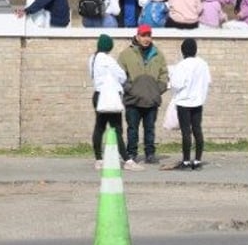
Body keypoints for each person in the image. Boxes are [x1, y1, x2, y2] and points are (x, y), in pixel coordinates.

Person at [88, 34, 142, 171]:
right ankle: (127, 160)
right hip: (110, 96)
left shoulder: (92, 59)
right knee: (117, 128)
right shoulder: (108, 60)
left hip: (98, 95)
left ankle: (98, 159)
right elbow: (121, 76)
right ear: (109, 46)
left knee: (99, 127)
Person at [118, 24, 169, 164]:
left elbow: (164, 74)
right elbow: (119, 75)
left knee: (150, 129)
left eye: (149, 35)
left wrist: (158, 89)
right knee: (132, 129)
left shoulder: (158, 54)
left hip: (151, 99)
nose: (147, 38)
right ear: (137, 36)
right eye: (144, 35)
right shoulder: (126, 54)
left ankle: (150, 154)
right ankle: (131, 153)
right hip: (133, 100)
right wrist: (130, 89)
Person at [169, 39, 211, 170]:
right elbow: (208, 81)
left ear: (182, 51)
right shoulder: (203, 64)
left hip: (184, 102)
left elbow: (176, 84)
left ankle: (186, 161)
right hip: (198, 102)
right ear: (195, 50)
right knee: (197, 130)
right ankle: (197, 161)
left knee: (186, 132)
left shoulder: (181, 65)